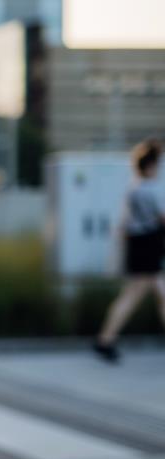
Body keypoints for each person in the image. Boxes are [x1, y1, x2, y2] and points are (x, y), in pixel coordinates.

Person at [94, 139, 165, 363]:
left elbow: (124, 224)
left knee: (151, 292)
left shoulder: (133, 188)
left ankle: (105, 339)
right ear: (151, 165)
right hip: (150, 245)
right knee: (136, 294)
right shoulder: (152, 189)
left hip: (138, 244)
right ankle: (105, 339)